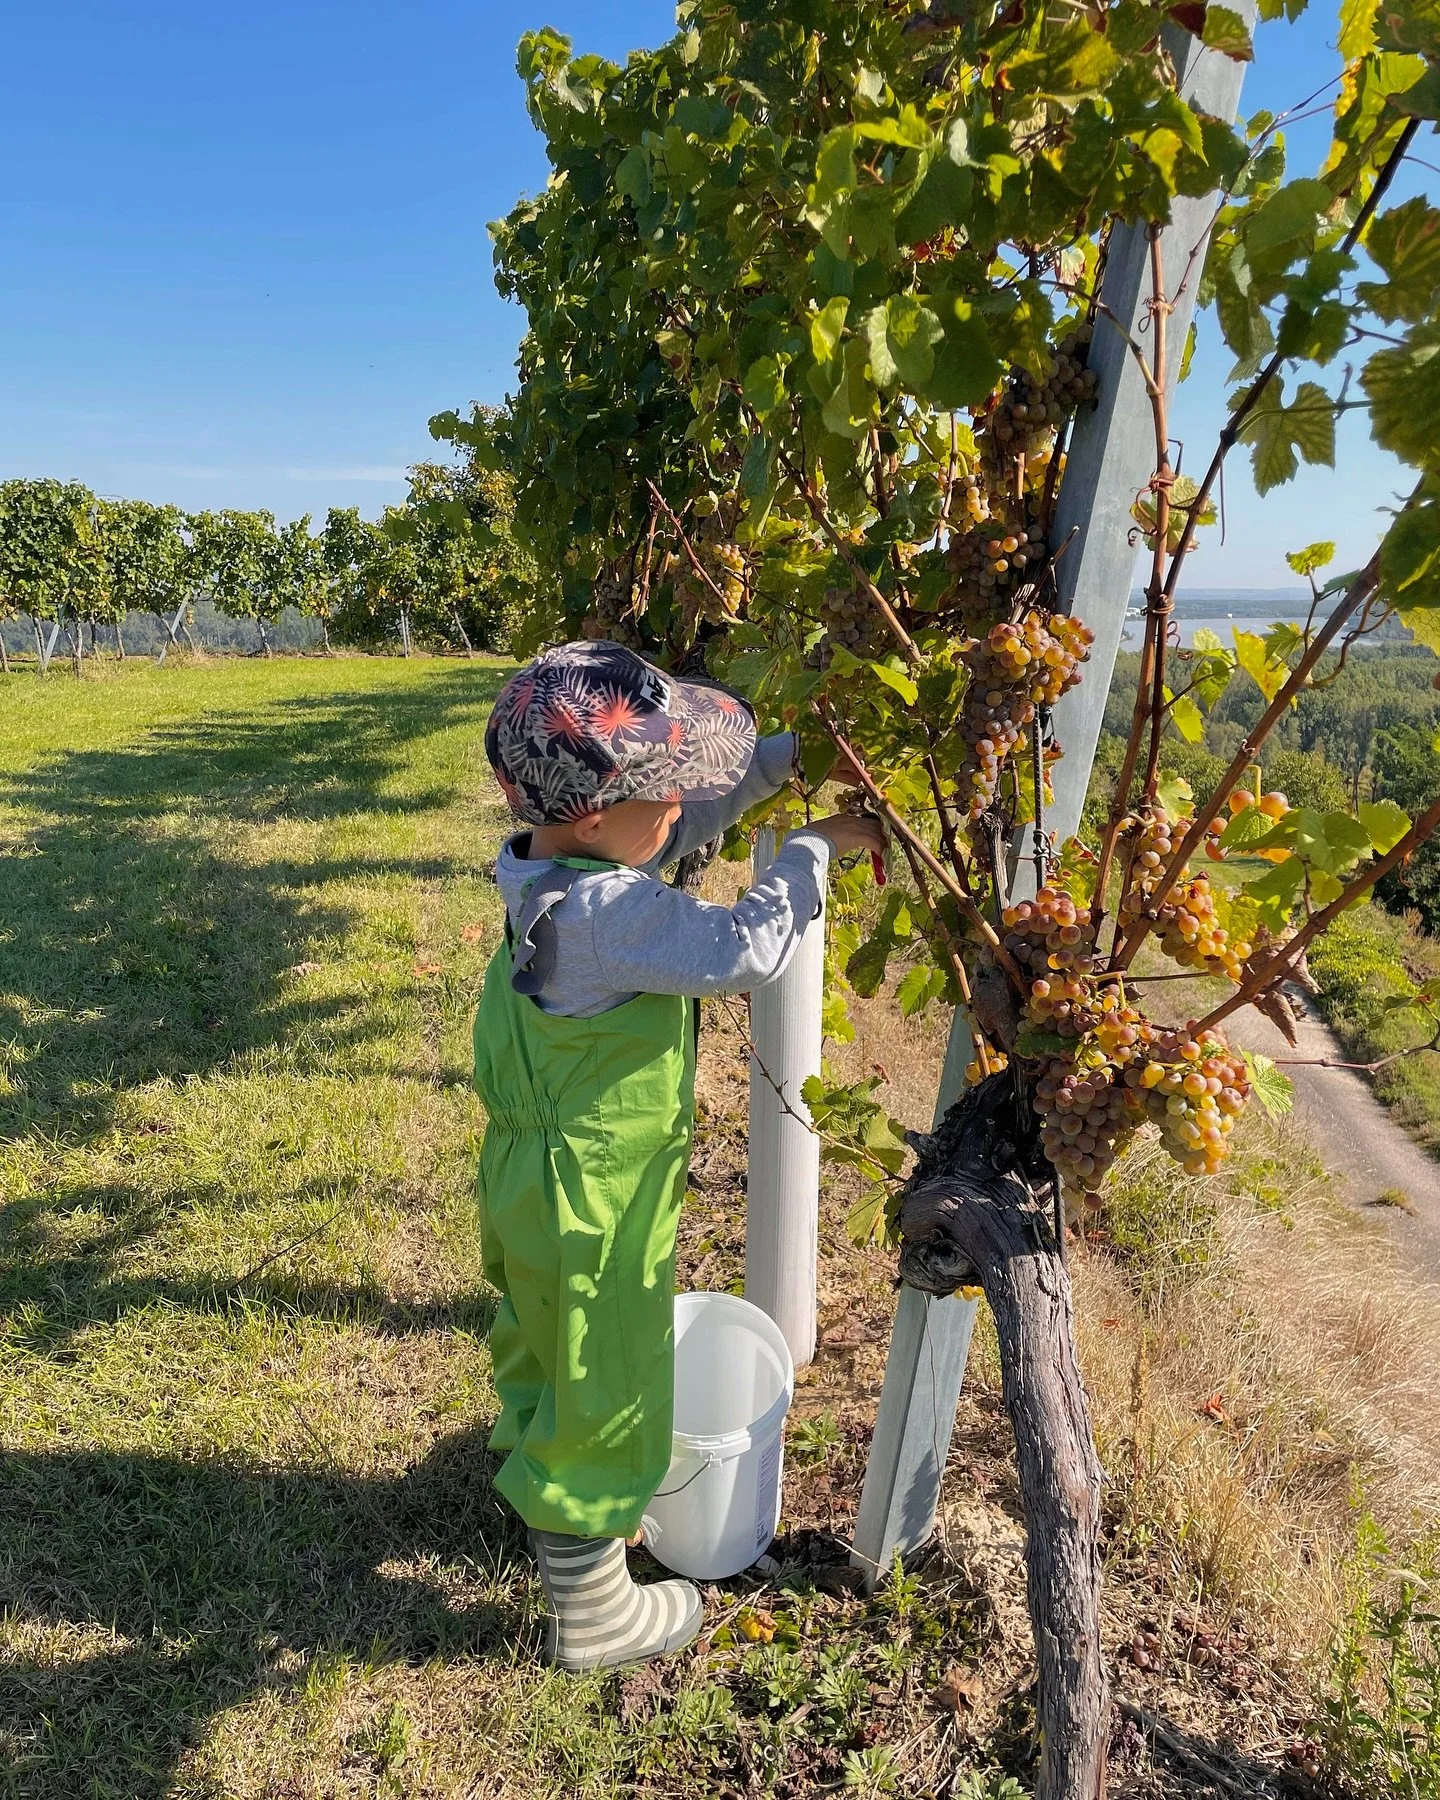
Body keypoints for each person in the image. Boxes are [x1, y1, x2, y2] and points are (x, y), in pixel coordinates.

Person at [474, 639, 884, 1673]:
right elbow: (744, 948)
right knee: (607, 1381)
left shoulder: (547, 868)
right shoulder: (615, 917)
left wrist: (780, 760)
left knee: (548, 1350)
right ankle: (595, 1613)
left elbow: (682, 824)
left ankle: (552, 1511)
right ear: (597, 818)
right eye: (664, 792)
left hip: (537, 1178)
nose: (683, 806)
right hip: (596, 1197)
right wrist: (816, 852)